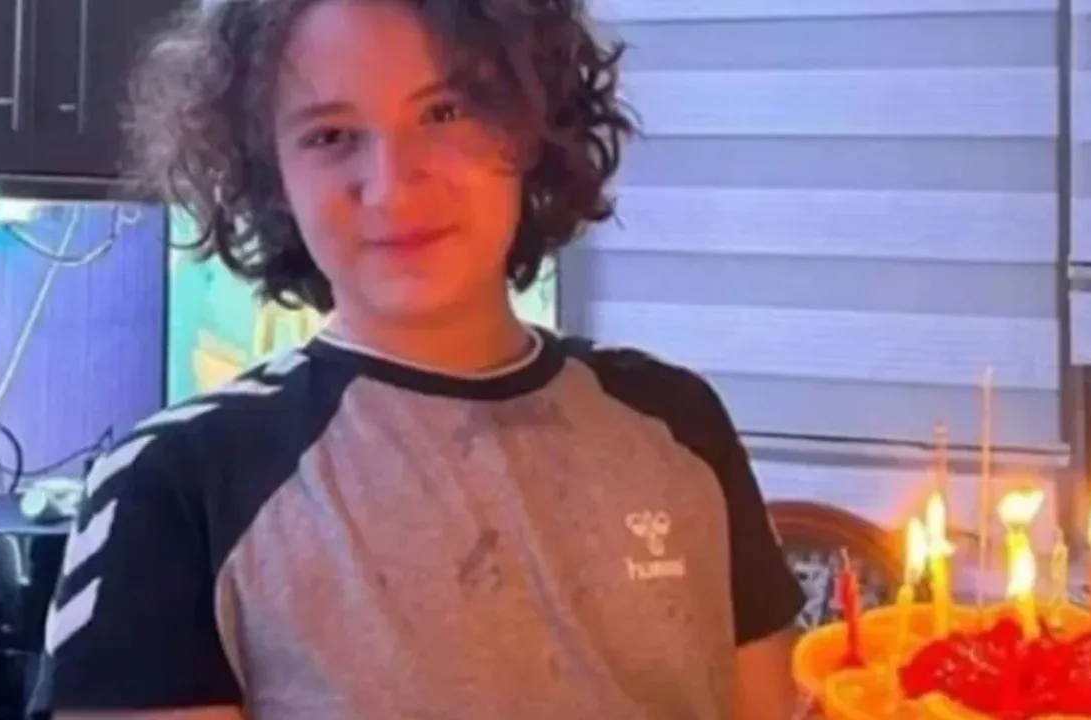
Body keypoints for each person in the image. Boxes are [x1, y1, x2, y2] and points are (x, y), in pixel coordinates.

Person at [42, 0, 806, 717]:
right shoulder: (172, 488)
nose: (392, 188)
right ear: (272, 177)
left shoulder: (679, 424)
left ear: (531, 127)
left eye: (445, 113)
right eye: (331, 136)